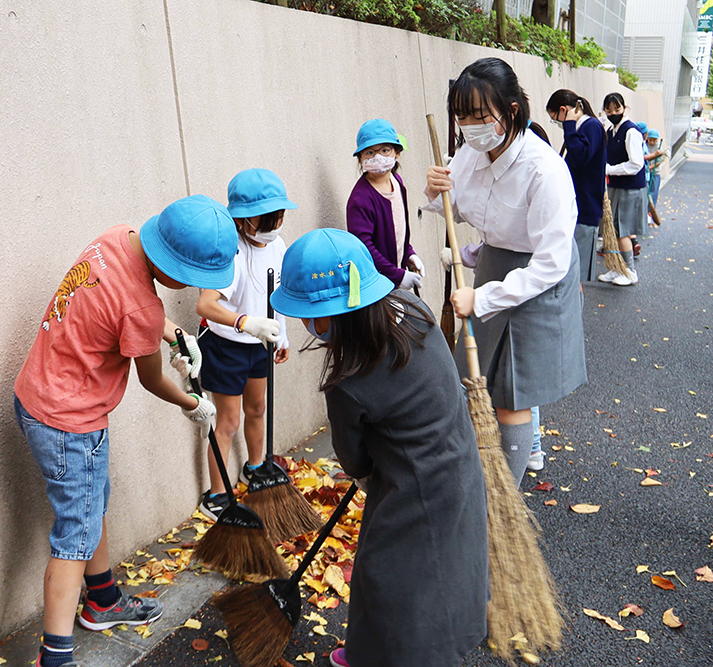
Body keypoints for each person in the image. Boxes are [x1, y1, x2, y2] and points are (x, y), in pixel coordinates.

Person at [13, 195, 235, 667]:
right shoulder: (142, 310)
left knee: (91, 503)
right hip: (71, 421)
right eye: (192, 276)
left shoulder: (115, 239)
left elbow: (133, 306)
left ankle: (104, 600)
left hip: (37, 394)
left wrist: (175, 335)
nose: (191, 285)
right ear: (173, 265)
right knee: (74, 536)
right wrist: (193, 403)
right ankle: (55, 657)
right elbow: (153, 379)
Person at [270, 228, 488, 667]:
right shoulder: (411, 307)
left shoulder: (350, 380)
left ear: (332, 316)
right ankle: (372, 650)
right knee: (439, 564)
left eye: (309, 314)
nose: (305, 325)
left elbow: (353, 460)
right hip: (458, 458)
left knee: (394, 576)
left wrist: (370, 459)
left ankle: (405, 657)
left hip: (415, 486)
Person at [425, 58, 586, 486]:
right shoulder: (469, 154)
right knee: (474, 378)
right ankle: (476, 473)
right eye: (461, 117)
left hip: (538, 278)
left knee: (513, 391)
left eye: (479, 116)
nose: (469, 126)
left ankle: (505, 495)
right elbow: (455, 208)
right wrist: (434, 189)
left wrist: (483, 298)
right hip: (494, 263)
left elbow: (552, 261)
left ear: (511, 111)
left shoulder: (544, 169)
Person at [194, 169, 293, 520]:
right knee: (228, 421)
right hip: (226, 346)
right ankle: (216, 495)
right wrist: (244, 322)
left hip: (260, 344)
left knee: (257, 409)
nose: (274, 225)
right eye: (267, 219)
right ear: (243, 220)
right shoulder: (230, 252)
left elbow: (278, 292)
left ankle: (255, 467)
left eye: (279, 217)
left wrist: (280, 333)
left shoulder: (277, 244)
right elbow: (205, 305)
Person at [346, 119, 425, 292]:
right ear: (360, 159)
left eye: (385, 150)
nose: (378, 157)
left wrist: (408, 253)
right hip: (377, 285)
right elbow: (364, 248)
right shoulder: (360, 199)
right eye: (369, 152)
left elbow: (398, 228)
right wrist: (397, 275)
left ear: (397, 154)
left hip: (396, 277)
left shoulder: (397, 182)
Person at [546, 89, 607, 284]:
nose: (557, 123)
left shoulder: (590, 126)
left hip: (584, 207)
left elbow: (581, 156)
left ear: (564, 110)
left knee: (576, 274)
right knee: (571, 271)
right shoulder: (588, 127)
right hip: (578, 205)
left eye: (555, 118)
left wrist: (569, 126)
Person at [598, 92, 646, 284]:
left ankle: (630, 271)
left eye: (616, 109)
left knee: (622, 230)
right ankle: (615, 267)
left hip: (630, 189)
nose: (612, 113)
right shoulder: (612, 130)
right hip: (616, 187)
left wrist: (610, 169)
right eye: (608, 110)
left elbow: (636, 164)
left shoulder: (630, 131)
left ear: (624, 109)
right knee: (612, 228)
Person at [645, 128, 666, 207]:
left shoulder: (659, 148)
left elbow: (658, 162)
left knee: (653, 192)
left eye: (654, 140)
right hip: (646, 173)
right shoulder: (645, 145)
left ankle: (651, 210)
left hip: (655, 173)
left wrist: (650, 167)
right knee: (645, 191)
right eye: (650, 140)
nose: (652, 142)